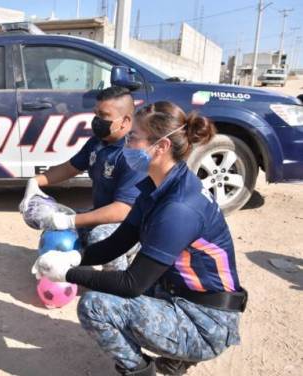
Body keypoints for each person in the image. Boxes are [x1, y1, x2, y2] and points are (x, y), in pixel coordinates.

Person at [32, 103, 247, 376]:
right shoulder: (160, 185)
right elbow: (119, 241)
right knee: (113, 285)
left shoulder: (179, 208)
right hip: (181, 294)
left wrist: (69, 273)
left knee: (95, 305)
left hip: (207, 322)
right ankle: (175, 356)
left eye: (133, 137)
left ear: (161, 146)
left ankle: (141, 371)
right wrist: (75, 257)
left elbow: (132, 284)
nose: (126, 142)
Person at [20, 86, 146, 270]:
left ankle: (119, 280)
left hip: (132, 226)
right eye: (96, 113)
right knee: (46, 217)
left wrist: (71, 221)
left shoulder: (134, 154)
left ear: (125, 121)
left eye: (103, 115)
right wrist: (35, 182)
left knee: (100, 237)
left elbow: (122, 210)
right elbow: (70, 167)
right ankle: (70, 265)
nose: (97, 120)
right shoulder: (98, 142)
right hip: (102, 215)